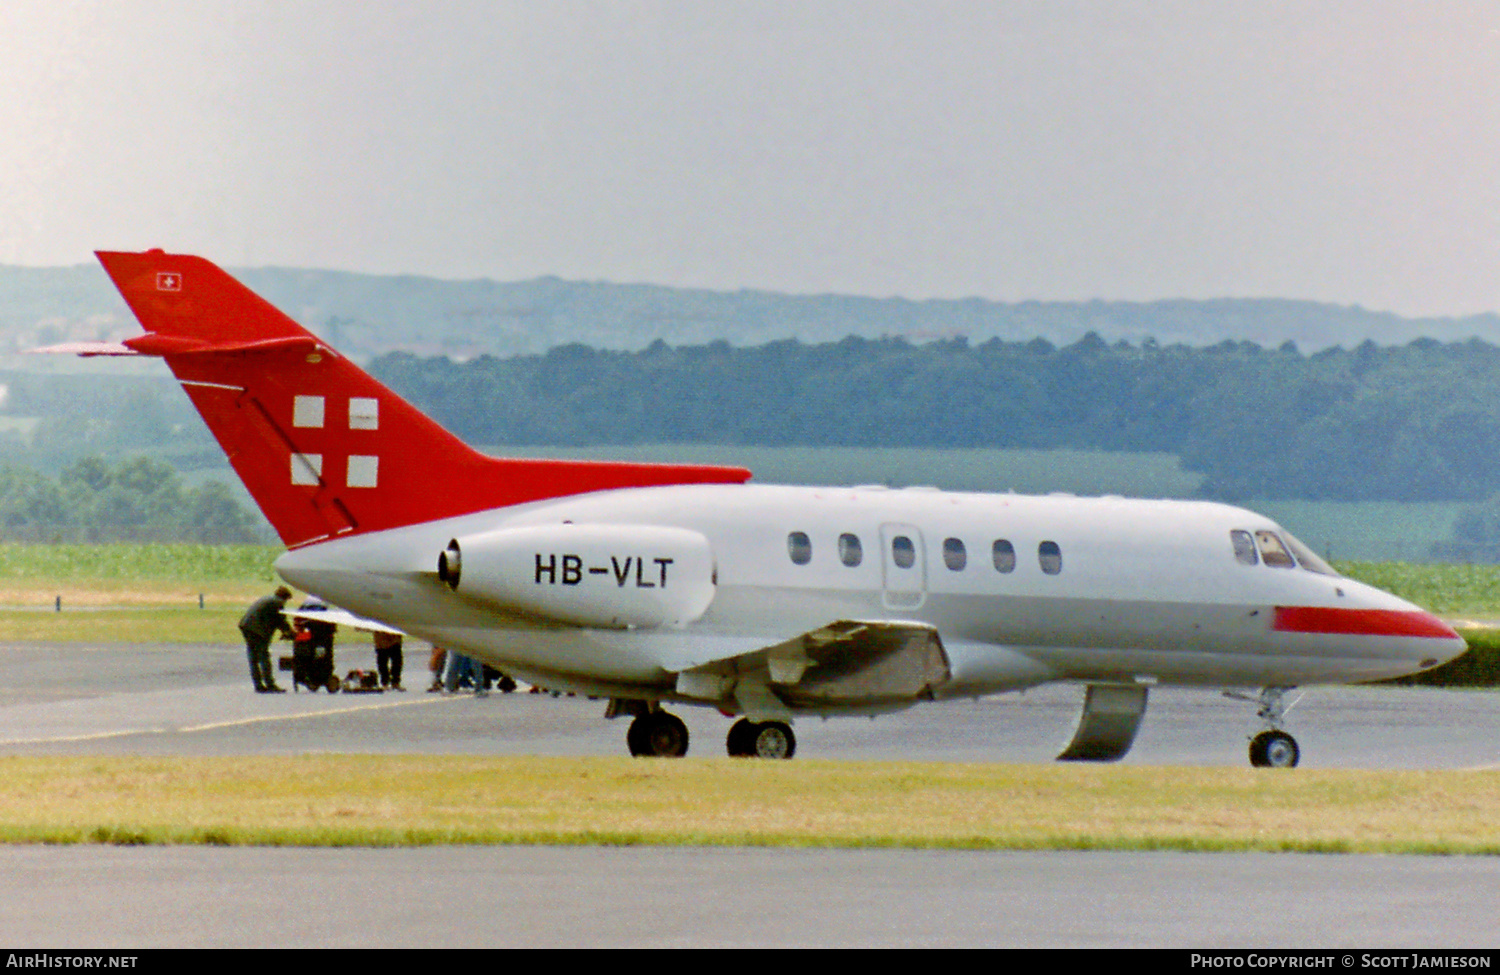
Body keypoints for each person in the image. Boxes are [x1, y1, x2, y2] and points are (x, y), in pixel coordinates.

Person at [239, 586, 295, 693]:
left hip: (246, 626)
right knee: (263, 656)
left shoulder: (268, 599)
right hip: (255, 629)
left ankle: (258, 684)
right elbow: (281, 621)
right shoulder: (277, 603)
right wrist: (290, 633)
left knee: (253, 657)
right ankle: (270, 684)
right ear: (284, 597)